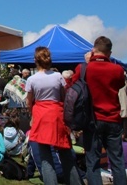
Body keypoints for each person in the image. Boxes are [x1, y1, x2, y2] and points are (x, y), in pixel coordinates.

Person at [25, 46, 81, 185]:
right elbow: (64, 96)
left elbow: (28, 101)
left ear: (35, 60)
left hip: (41, 115)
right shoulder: (58, 76)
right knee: (66, 153)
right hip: (57, 114)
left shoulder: (31, 79)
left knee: (45, 157)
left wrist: (32, 115)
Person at [84, 36, 127, 185]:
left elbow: (74, 84)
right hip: (113, 118)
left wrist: (88, 62)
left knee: (93, 161)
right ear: (109, 53)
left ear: (93, 50)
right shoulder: (117, 70)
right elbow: (120, 85)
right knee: (117, 161)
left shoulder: (85, 68)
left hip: (93, 118)